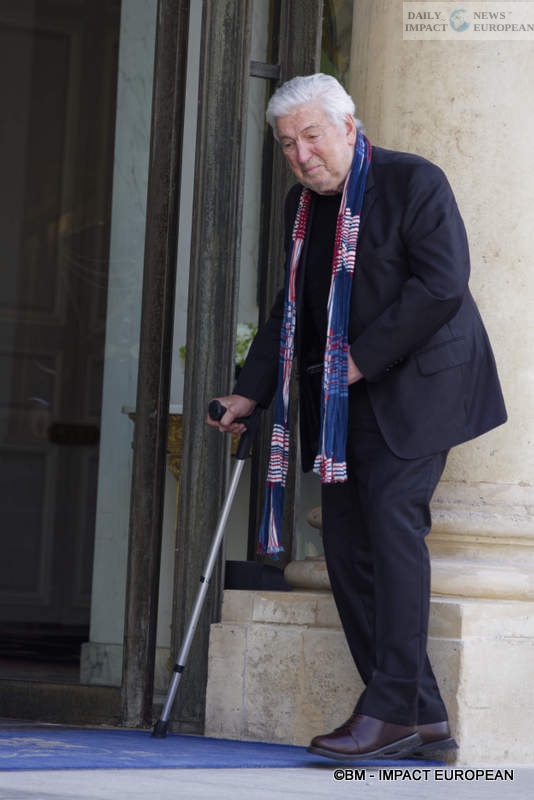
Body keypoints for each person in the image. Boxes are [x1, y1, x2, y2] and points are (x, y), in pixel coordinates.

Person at [207, 73, 507, 761]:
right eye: (288, 145)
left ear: (349, 127)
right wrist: (250, 391)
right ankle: (421, 715)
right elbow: (292, 306)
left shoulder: (413, 182)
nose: (301, 154)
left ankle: (390, 707)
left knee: (392, 529)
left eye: (312, 136)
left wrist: (357, 360)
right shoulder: (303, 207)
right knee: (345, 551)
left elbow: (441, 284)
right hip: (343, 406)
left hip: (421, 389)